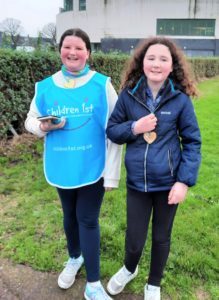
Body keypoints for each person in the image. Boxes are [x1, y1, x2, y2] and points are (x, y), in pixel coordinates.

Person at [25, 28, 122, 300]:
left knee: (87, 220)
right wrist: (42, 127)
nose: (73, 52)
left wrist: (112, 175)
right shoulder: (45, 86)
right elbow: (30, 120)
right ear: (60, 51)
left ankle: (93, 285)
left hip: (93, 167)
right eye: (67, 47)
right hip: (61, 166)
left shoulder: (102, 84)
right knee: (69, 217)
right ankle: (74, 257)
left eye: (79, 47)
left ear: (88, 52)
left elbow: (115, 129)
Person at [106, 36, 201, 300]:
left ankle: (154, 284)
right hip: (137, 183)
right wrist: (135, 127)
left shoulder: (180, 101)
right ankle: (129, 268)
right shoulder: (128, 96)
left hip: (168, 185)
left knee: (161, 238)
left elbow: (192, 142)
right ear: (141, 63)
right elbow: (112, 130)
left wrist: (183, 182)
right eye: (151, 58)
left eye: (163, 59)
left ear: (172, 67)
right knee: (134, 239)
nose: (156, 64)